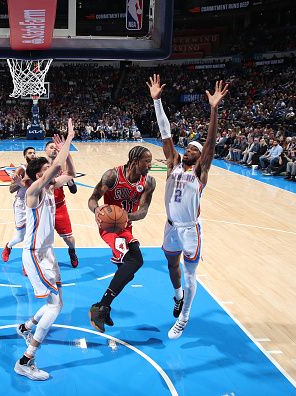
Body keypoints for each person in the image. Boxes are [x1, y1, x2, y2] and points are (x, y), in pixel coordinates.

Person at [148, 75, 228, 339]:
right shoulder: (172, 162)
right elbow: (165, 133)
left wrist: (214, 109)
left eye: (194, 149)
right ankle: (178, 295)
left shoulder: (200, 171)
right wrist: (157, 102)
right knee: (172, 265)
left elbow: (210, 144)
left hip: (190, 230)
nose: (189, 150)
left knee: (190, 273)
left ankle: (183, 318)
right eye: (189, 148)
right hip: (170, 226)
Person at [14, 120, 75, 381]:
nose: (52, 169)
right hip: (35, 252)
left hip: (48, 252)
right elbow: (56, 170)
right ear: (40, 173)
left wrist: (67, 151)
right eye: (48, 168)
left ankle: (25, 327)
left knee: (56, 302)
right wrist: (70, 137)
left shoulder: (50, 188)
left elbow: (69, 174)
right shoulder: (35, 191)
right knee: (55, 305)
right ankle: (25, 360)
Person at [87, 145, 156, 333]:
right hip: (109, 227)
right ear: (135, 162)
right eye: (146, 161)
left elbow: (142, 212)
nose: (150, 165)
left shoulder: (148, 182)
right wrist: (97, 210)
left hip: (125, 226)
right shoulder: (112, 176)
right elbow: (92, 199)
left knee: (127, 272)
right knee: (135, 260)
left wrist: (125, 216)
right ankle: (100, 307)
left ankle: (103, 307)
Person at [44, 140, 79, 267]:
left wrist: (69, 181)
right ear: (45, 150)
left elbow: (73, 190)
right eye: (51, 147)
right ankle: (33, 261)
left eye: (55, 147)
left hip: (59, 206)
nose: (54, 149)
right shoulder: (40, 165)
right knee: (39, 238)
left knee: (69, 238)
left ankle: (72, 251)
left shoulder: (62, 166)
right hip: (43, 207)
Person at [2, 146, 37, 263]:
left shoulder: (38, 168)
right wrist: (22, 181)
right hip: (21, 204)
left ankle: (27, 263)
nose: (32, 154)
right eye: (30, 153)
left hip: (34, 203)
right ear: (25, 156)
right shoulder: (21, 169)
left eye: (34, 153)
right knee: (20, 237)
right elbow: (11, 189)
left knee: (31, 235)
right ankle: (8, 246)